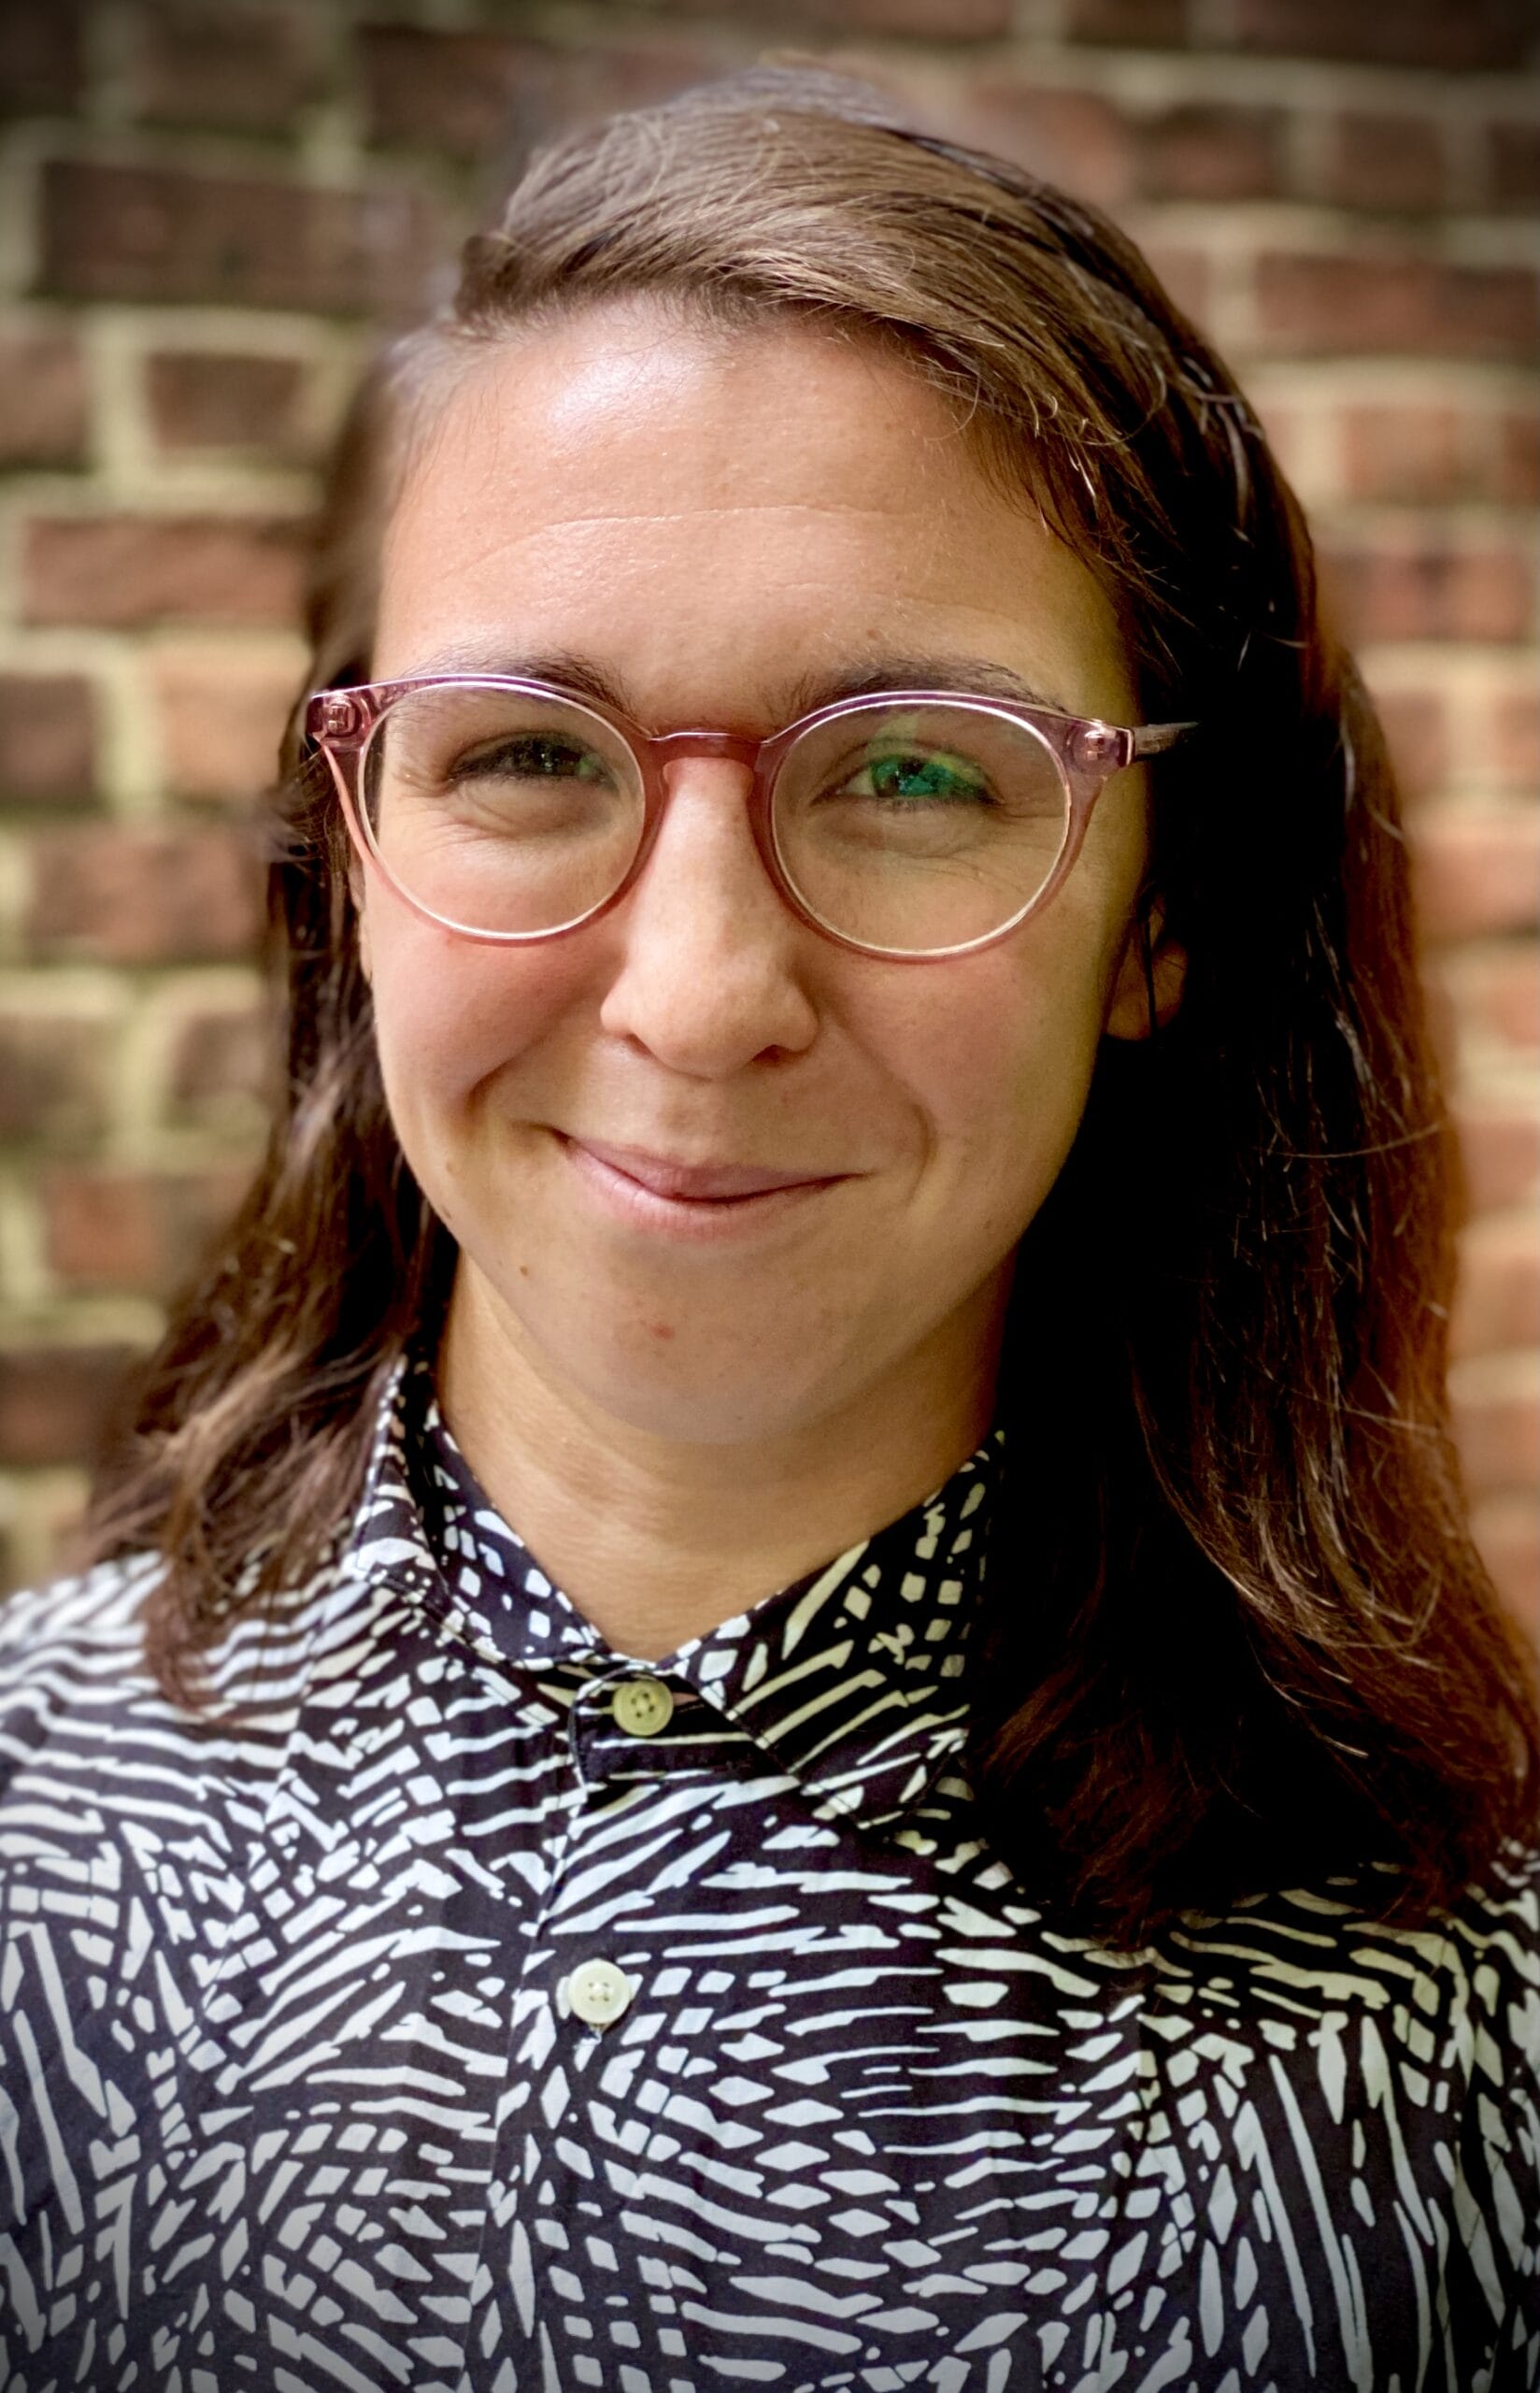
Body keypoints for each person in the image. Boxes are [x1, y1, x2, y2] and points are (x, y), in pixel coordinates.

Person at [1, 64, 1536, 2393]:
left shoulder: (1468, 2052)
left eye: (915, 767)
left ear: (1159, 920)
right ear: (355, 844)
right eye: (526, 750)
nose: (701, 995)